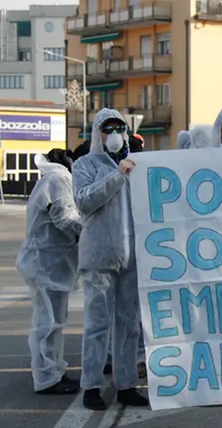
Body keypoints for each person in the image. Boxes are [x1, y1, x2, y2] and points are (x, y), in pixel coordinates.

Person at [72, 108, 148, 410]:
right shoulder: (85, 164)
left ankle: (126, 384)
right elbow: (84, 201)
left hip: (131, 257)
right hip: (100, 255)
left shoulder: (139, 165)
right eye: (108, 128)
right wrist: (117, 176)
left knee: (129, 324)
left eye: (119, 128)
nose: (114, 134)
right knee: (97, 324)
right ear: (97, 133)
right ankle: (91, 385)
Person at [16, 149, 83, 395]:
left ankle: (54, 369)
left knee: (55, 320)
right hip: (46, 264)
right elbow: (64, 218)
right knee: (48, 323)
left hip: (50, 263)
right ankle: (47, 377)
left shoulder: (54, 179)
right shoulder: (57, 179)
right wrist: (93, 231)